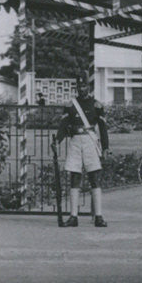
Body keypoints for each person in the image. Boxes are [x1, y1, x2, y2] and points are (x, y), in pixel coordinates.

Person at [55, 74, 110, 227]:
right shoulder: (70, 105)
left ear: (89, 87)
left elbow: (103, 128)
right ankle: (73, 217)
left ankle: (98, 216)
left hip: (90, 141)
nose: (82, 89)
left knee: (94, 177)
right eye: (79, 86)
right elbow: (63, 126)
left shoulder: (96, 105)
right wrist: (57, 141)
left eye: (84, 86)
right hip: (75, 141)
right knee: (74, 178)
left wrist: (105, 147)